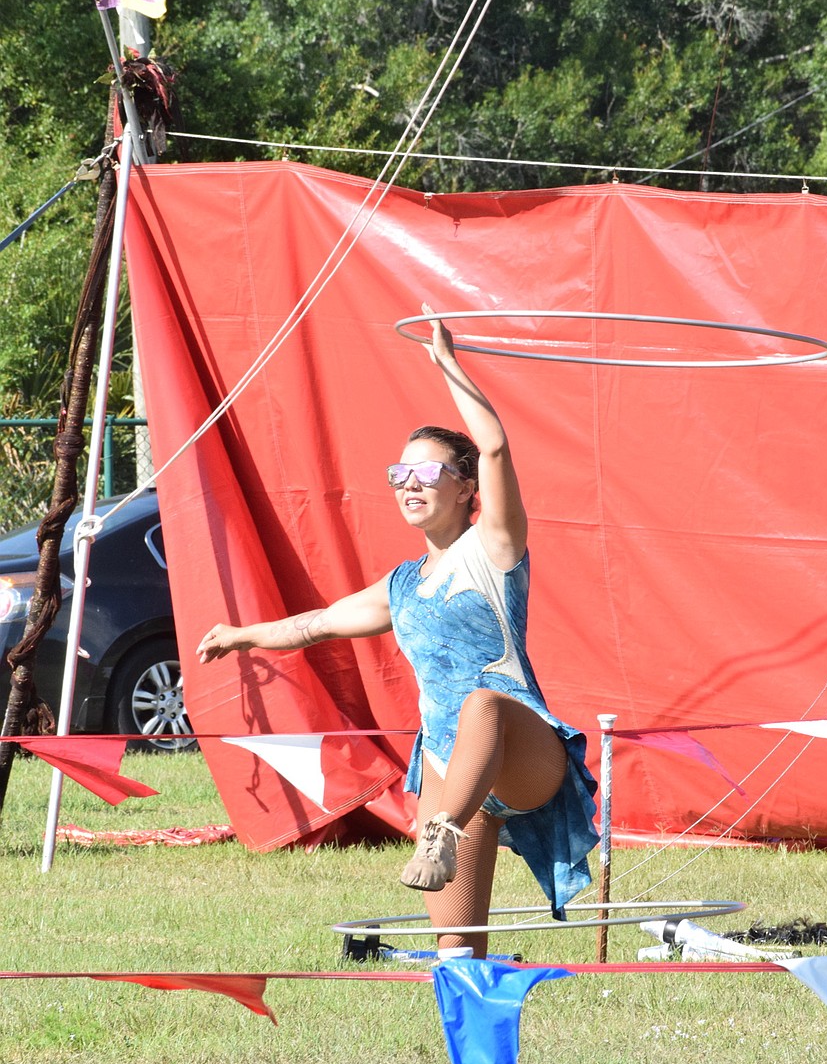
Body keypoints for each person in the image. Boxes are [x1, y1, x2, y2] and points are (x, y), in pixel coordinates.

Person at [197, 312, 598, 956]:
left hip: (522, 753)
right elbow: (317, 624)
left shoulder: (494, 549)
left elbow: (494, 447)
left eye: (429, 473)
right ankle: (466, 1023)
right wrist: (242, 635)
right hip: (449, 768)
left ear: (466, 488)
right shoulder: (403, 584)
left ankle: (441, 829)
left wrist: (447, 366)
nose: (410, 484)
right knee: (457, 952)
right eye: (399, 474)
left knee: (483, 703)